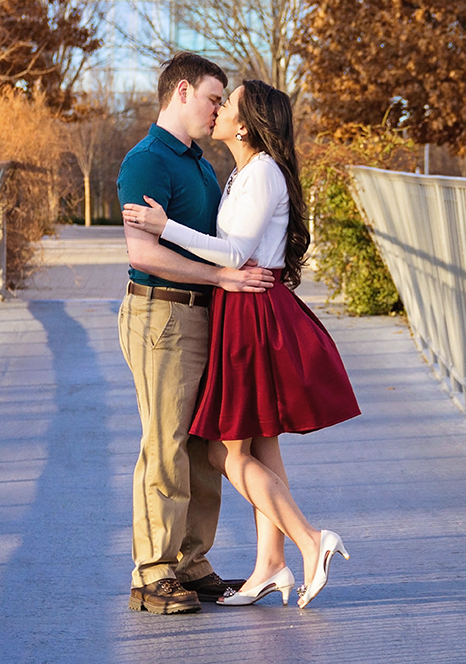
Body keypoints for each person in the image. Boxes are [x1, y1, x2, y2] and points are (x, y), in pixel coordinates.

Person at [123, 80, 361, 609]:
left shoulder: (260, 174)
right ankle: (269, 566)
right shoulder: (240, 173)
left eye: (226, 103)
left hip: (249, 310)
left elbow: (233, 250)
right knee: (259, 446)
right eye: (217, 98)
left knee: (224, 450)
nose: (219, 108)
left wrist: (167, 226)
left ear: (246, 124)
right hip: (238, 307)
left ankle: (307, 539)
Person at [117, 54, 275, 615]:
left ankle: (192, 561)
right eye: (213, 98)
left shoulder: (202, 165)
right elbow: (143, 253)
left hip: (209, 316)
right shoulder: (146, 161)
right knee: (165, 443)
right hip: (162, 317)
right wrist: (221, 277)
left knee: (207, 444)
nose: (218, 109)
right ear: (181, 92)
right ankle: (152, 573)